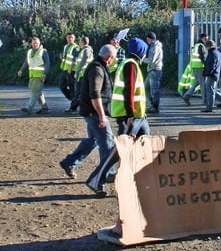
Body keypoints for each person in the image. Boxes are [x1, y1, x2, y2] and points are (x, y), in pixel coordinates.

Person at [58, 44, 117, 197]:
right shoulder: (97, 69)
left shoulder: (97, 66)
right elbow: (95, 93)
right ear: (109, 58)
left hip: (91, 111)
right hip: (94, 112)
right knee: (107, 144)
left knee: (92, 140)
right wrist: (102, 115)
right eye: (113, 58)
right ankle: (105, 175)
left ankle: (69, 162)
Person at [110, 37, 151, 137]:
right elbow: (129, 90)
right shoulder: (131, 65)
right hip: (130, 114)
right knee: (124, 143)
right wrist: (130, 114)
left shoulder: (126, 63)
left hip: (138, 114)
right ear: (140, 52)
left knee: (145, 139)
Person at [17, 36, 50, 114]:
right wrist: (21, 70)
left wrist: (44, 74)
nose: (35, 45)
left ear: (39, 43)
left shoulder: (43, 51)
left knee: (35, 92)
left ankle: (29, 108)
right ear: (31, 44)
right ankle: (44, 108)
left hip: (40, 75)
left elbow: (47, 63)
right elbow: (26, 62)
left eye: (37, 43)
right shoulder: (29, 51)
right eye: (34, 43)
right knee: (38, 92)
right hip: (32, 75)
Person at [201, 40, 221, 112]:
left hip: (212, 75)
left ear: (208, 47)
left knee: (210, 91)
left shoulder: (212, 53)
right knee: (212, 90)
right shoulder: (216, 52)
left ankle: (210, 107)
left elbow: (211, 65)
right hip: (214, 74)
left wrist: (207, 73)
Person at [66, 36, 93, 113]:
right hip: (82, 74)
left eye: (80, 41)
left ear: (82, 42)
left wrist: (77, 71)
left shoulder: (87, 50)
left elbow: (83, 62)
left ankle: (73, 108)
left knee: (79, 93)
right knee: (79, 93)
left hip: (83, 75)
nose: (79, 43)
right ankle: (75, 107)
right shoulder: (84, 50)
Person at [180, 33, 208, 105]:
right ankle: (205, 101)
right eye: (205, 38)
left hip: (195, 66)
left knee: (197, 83)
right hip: (200, 67)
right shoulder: (201, 46)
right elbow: (202, 57)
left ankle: (186, 96)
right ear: (202, 38)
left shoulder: (196, 45)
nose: (206, 40)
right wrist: (206, 65)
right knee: (203, 84)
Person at [142, 32, 163, 113]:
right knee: (147, 87)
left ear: (151, 39)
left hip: (154, 70)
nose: (147, 41)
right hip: (153, 70)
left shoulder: (154, 48)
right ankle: (152, 104)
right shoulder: (155, 47)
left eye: (147, 39)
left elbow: (152, 61)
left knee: (154, 89)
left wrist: (143, 59)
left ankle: (155, 107)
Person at [59, 32, 78, 101]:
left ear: (74, 38)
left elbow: (75, 59)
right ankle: (74, 100)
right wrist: (62, 57)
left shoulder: (75, 47)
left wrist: (70, 68)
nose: (70, 39)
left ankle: (74, 103)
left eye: (72, 37)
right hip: (64, 68)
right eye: (69, 37)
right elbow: (66, 57)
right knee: (61, 86)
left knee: (72, 87)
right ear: (66, 38)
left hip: (71, 70)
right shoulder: (66, 46)